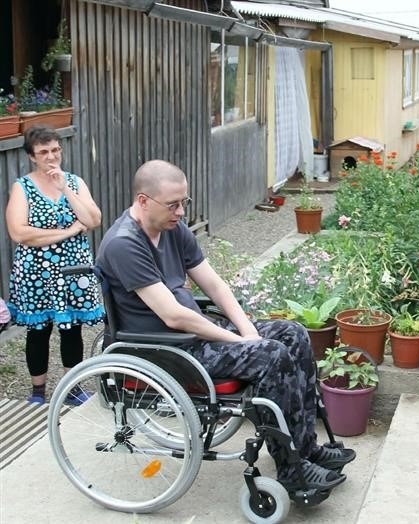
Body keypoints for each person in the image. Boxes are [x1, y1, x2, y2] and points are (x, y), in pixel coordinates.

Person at [95, 159, 355, 495]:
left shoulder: (173, 229)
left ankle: (306, 447)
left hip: (195, 335)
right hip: (165, 349)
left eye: (184, 202)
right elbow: (173, 316)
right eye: (173, 204)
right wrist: (237, 340)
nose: (180, 212)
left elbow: (215, 286)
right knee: (271, 356)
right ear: (143, 201)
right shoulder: (124, 244)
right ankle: (292, 470)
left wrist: (246, 330)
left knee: (293, 334)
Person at [5, 125, 104, 406]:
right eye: (44, 152)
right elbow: (20, 233)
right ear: (32, 156)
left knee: (71, 328)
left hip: (72, 270)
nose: (51, 156)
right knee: (38, 331)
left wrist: (65, 189)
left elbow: (94, 220)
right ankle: (38, 392)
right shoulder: (22, 187)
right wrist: (69, 231)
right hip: (36, 272)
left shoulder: (74, 182)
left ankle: (72, 390)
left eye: (56, 150)